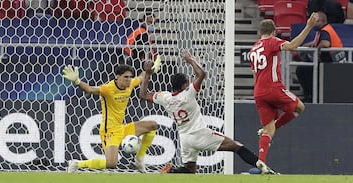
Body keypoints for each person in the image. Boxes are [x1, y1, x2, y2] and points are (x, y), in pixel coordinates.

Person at [139, 50, 276, 174]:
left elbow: (143, 95)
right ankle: (265, 169)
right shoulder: (188, 93)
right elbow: (202, 74)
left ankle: (172, 172)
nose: (190, 83)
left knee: (189, 170)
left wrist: (148, 74)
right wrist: (190, 59)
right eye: (188, 82)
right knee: (237, 147)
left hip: (185, 139)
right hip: (200, 134)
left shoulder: (165, 97)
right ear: (184, 86)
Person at [63, 64, 159, 173]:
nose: (128, 80)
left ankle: (139, 159)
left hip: (122, 128)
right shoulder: (107, 89)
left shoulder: (131, 84)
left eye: (130, 77)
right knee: (111, 164)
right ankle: (77, 163)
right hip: (109, 132)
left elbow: (141, 77)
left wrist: (151, 69)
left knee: (152, 125)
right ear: (117, 76)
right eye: (125, 77)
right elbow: (90, 89)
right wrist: (77, 82)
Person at [249, 13, 319, 164]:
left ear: (259, 32)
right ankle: (276, 125)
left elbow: (255, 74)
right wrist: (308, 26)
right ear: (274, 32)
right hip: (273, 87)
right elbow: (292, 46)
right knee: (299, 107)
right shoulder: (272, 41)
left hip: (258, 93)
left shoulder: (253, 50)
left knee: (268, 130)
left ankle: (261, 161)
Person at [296, 11, 345, 102]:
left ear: (323, 21)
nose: (314, 24)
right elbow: (317, 41)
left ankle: (310, 96)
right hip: (332, 62)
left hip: (331, 63)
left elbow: (325, 43)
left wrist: (316, 51)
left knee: (301, 70)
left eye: (316, 21)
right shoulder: (325, 29)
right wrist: (305, 46)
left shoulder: (324, 30)